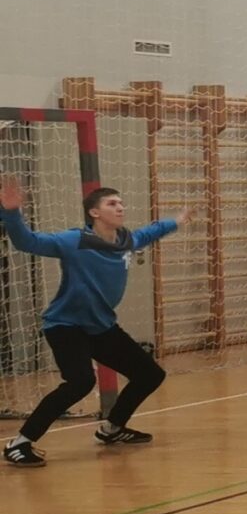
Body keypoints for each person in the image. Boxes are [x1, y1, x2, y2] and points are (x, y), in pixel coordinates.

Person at [1, 176, 189, 467]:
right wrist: (12, 212)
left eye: (121, 203)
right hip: (66, 326)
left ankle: (112, 428)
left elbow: (150, 232)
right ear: (94, 212)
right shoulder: (74, 241)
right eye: (112, 203)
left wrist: (176, 221)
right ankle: (20, 443)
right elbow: (27, 242)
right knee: (81, 382)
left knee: (150, 374)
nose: (120, 207)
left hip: (101, 326)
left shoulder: (127, 240)